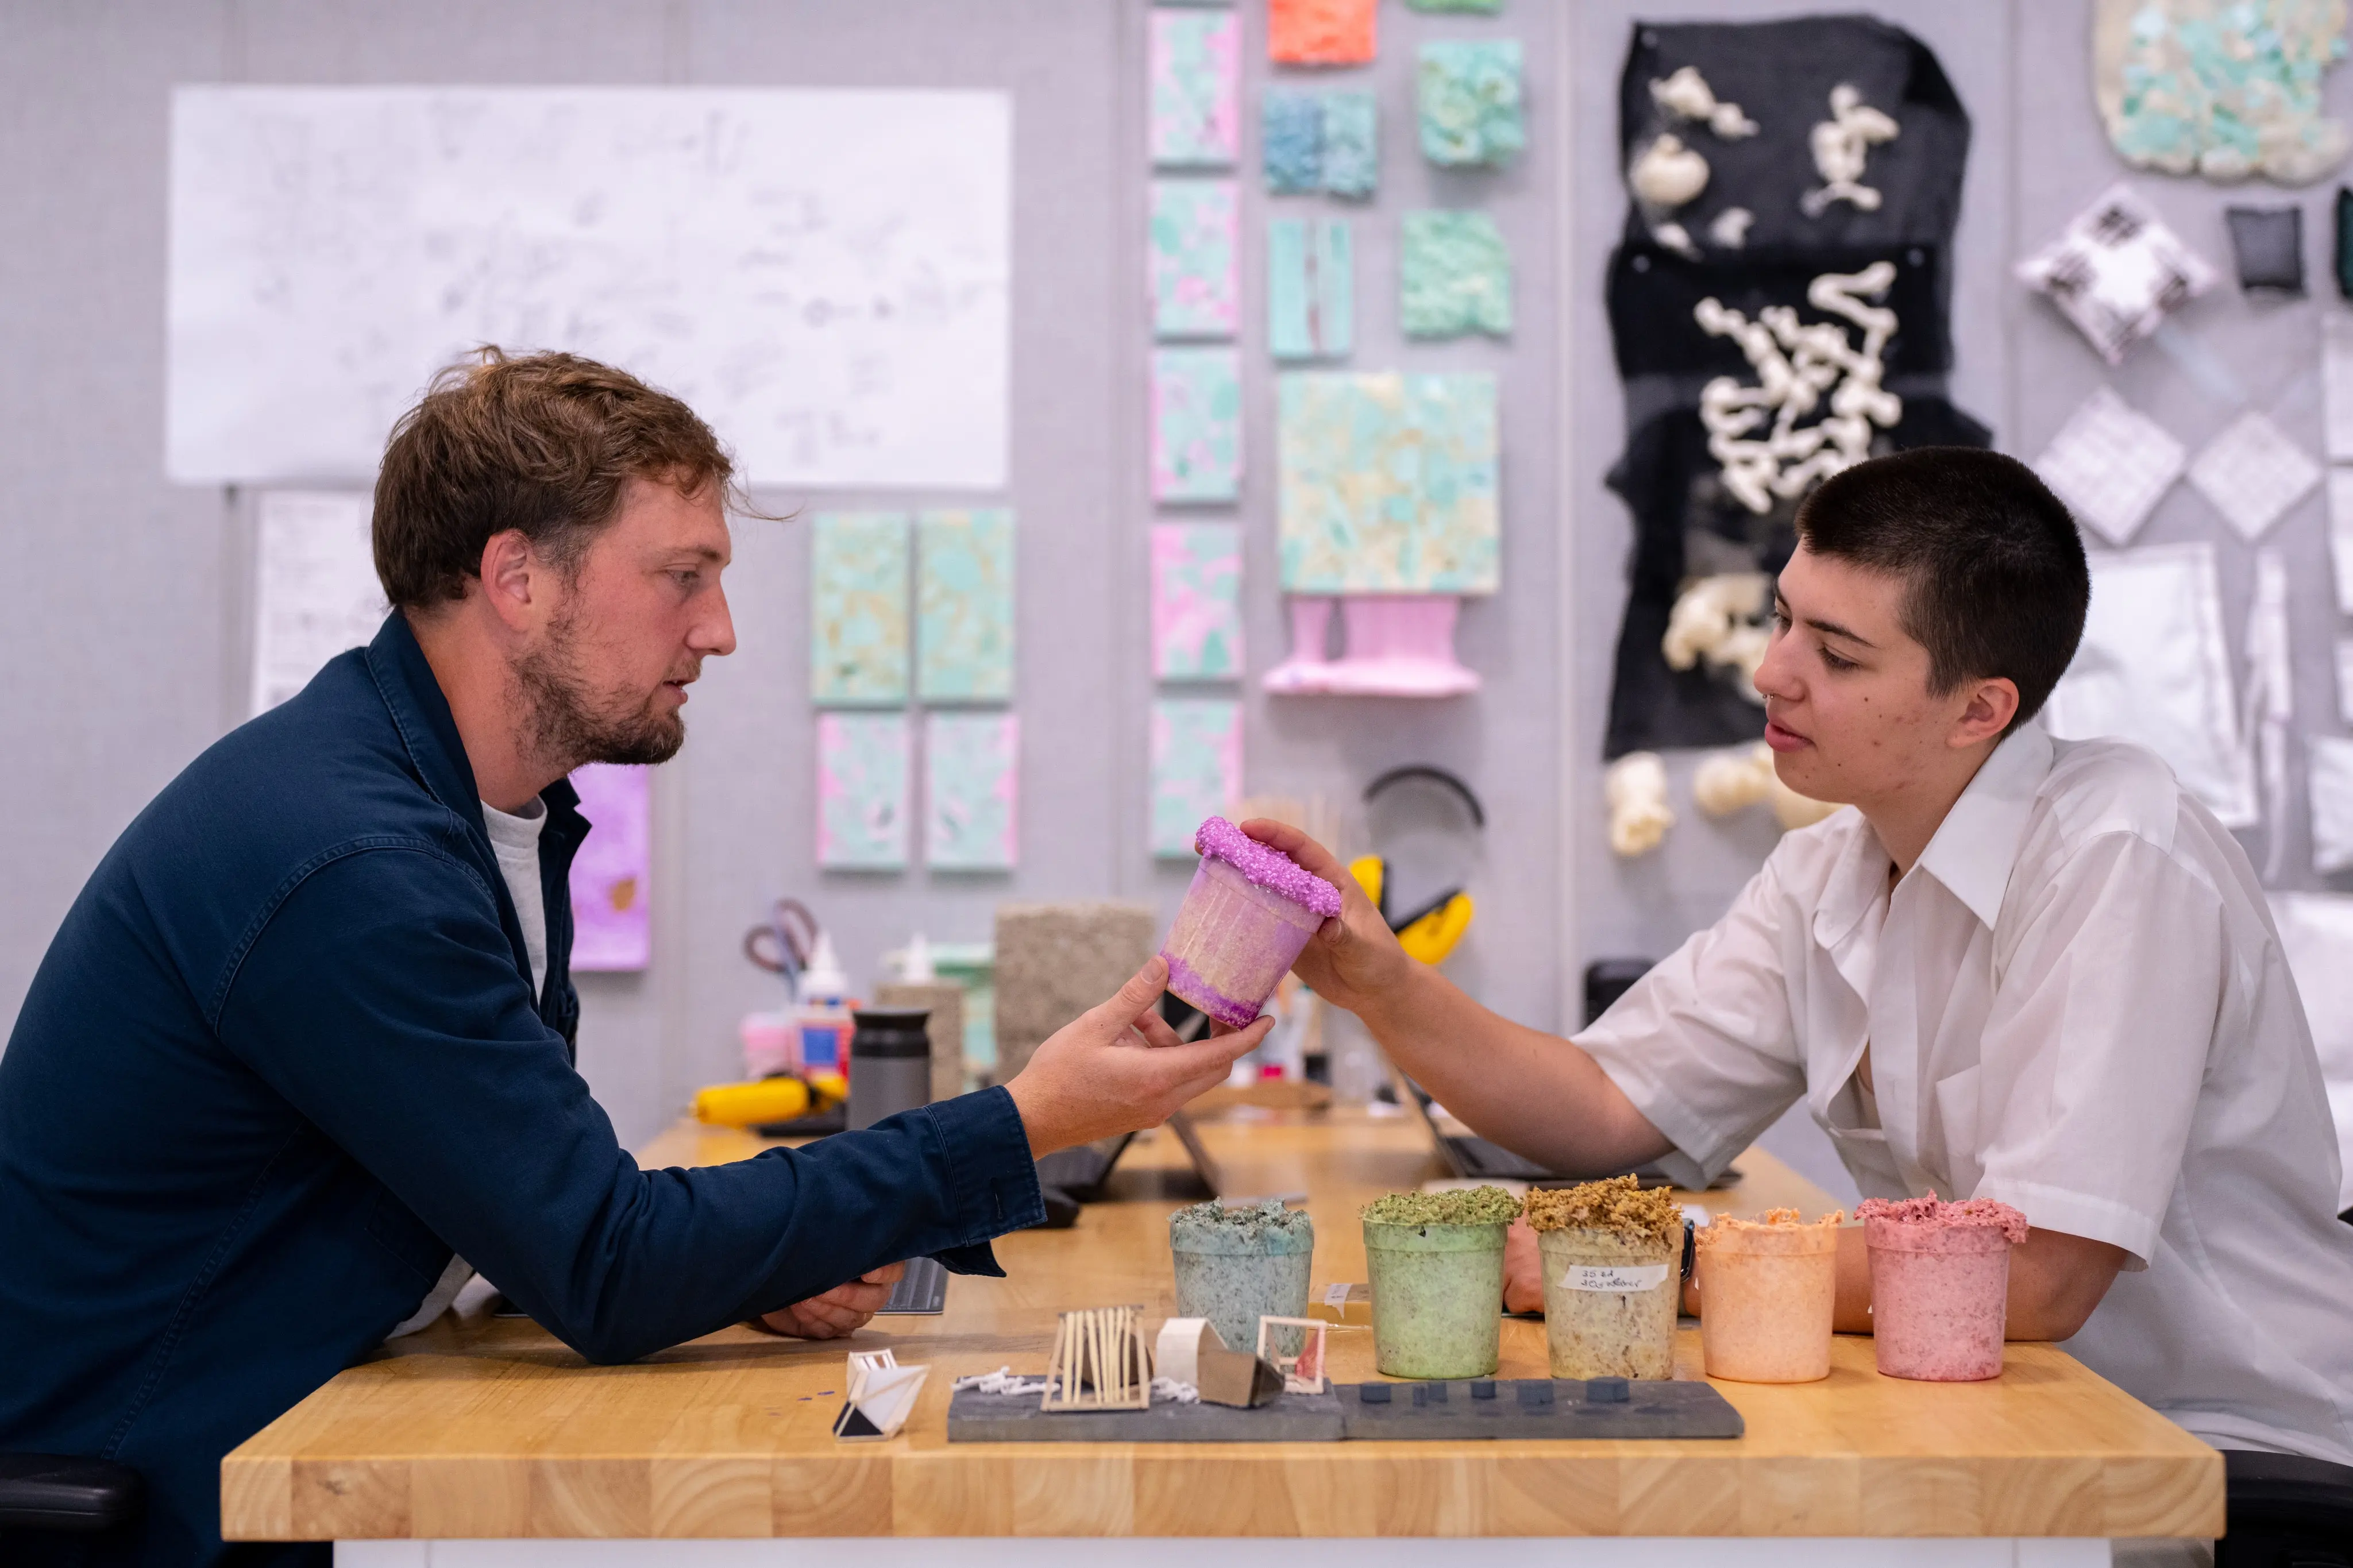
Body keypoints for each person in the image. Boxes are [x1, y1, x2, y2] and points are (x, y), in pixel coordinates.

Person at [0, 351, 1266, 1568]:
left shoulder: (482, 810)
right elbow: (607, 1260)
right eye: (683, 575)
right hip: (168, 1490)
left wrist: (740, 1270)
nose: (717, 630)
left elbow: (524, 1205)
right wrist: (1026, 1119)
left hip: (290, 1424)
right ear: (517, 579)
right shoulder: (350, 862)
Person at [1252, 447, 2353, 1469]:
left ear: (1981, 709)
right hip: (2006, 1416)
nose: (1773, 672)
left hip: (2217, 1453)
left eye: (1835, 653)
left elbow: (2039, 1272)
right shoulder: (1834, 864)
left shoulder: (2118, 851)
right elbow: (1600, 1106)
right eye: (1783, 619)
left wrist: (1668, 1262)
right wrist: (1379, 983)